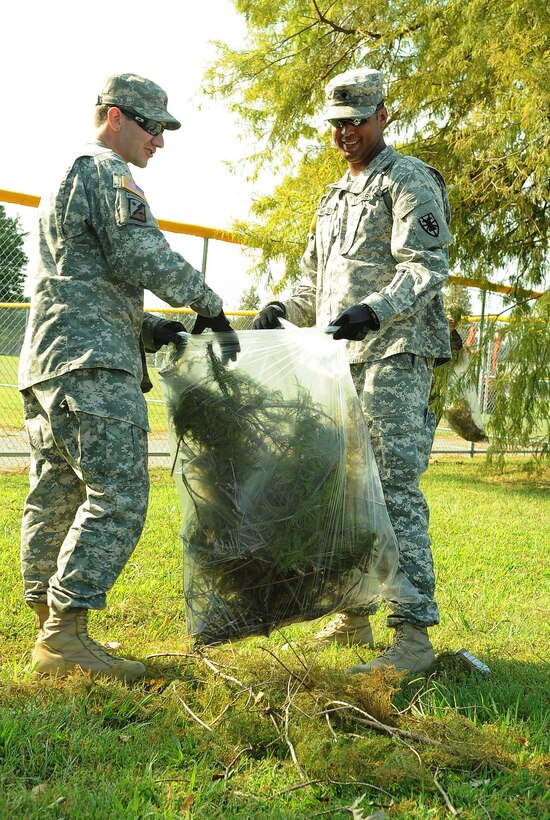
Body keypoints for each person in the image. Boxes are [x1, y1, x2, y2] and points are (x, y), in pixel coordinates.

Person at [18, 72, 238, 682]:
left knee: (56, 492)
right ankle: (65, 636)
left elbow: (83, 278)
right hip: (92, 367)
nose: (159, 142)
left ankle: (47, 622)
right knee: (118, 495)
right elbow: (140, 252)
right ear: (116, 117)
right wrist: (207, 302)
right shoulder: (107, 172)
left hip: (49, 363)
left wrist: (148, 329)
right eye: (152, 127)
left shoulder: (64, 177)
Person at [253, 67, 451, 675]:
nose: (345, 134)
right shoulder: (334, 196)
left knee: (392, 491)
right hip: (340, 363)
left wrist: (375, 311)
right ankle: (352, 612)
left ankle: (412, 635)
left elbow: (424, 268)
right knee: (344, 491)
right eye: (336, 124)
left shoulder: (408, 180)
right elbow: (313, 280)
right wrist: (281, 306)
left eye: (356, 121)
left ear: (383, 116)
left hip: (394, 358)